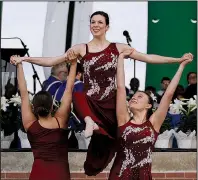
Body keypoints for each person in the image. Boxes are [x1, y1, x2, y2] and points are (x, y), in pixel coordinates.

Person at [10, 11, 193, 176]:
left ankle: (100, 133)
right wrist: (25, 59)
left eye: (99, 22)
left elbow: (148, 58)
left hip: (110, 105)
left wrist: (177, 60)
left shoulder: (118, 48)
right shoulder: (82, 48)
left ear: (107, 26)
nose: (95, 25)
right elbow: (53, 60)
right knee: (78, 91)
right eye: (93, 22)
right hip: (91, 103)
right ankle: (90, 120)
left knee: (96, 162)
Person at [108, 50, 193, 179]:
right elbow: (120, 88)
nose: (134, 98)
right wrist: (120, 59)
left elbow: (168, 94)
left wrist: (181, 65)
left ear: (148, 105)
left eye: (140, 96)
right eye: (133, 97)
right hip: (120, 176)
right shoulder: (124, 120)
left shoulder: (153, 124)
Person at [15, 50, 77, 180]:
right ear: (52, 106)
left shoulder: (30, 124)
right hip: (60, 175)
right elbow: (69, 89)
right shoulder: (60, 121)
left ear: (33, 107)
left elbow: (24, 95)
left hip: (39, 174)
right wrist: (74, 63)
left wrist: (19, 65)